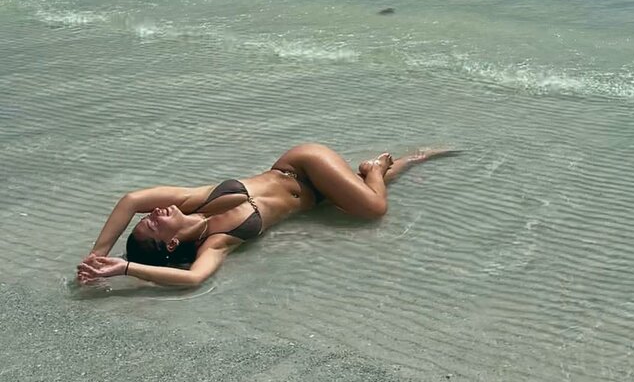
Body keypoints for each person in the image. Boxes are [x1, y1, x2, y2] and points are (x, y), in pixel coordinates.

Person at [76, 143, 451, 289]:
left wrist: (97, 257)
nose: (155, 212)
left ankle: (373, 168)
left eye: (150, 216)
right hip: (315, 197)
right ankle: (417, 158)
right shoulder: (217, 242)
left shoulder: (194, 199)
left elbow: (131, 200)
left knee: (374, 209)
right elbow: (193, 278)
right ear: (172, 243)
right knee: (378, 186)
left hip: (303, 165)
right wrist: (126, 269)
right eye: (153, 224)